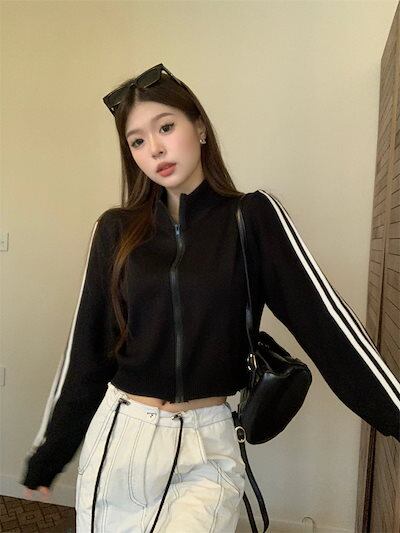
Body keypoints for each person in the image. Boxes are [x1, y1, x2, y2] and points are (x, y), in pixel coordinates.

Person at [20, 63, 400, 532]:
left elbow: (328, 326)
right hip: (123, 438)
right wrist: (51, 452)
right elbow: (86, 353)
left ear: (199, 127)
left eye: (166, 127)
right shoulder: (116, 230)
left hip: (208, 444)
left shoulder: (252, 218)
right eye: (137, 141)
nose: (154, 149)